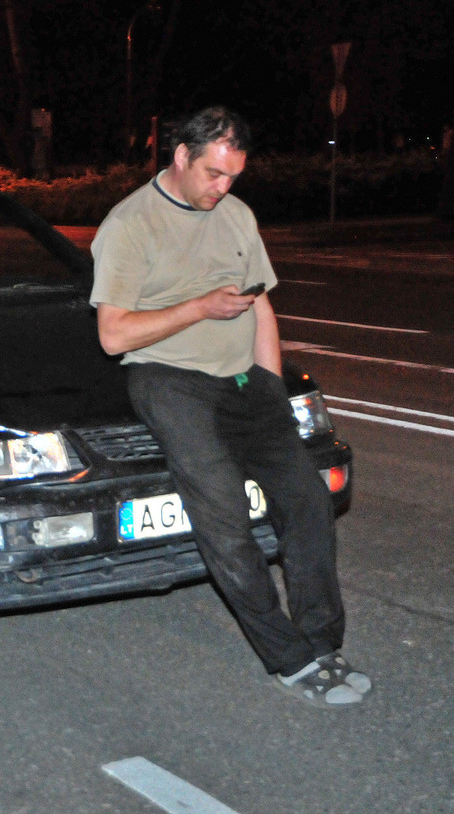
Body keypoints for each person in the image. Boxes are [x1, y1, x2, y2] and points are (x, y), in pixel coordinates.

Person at [89, 106, 371, 708]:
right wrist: (197, 308)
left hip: (245, 384)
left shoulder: (238, 216)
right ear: (182, 156)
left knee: (309, 504)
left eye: (234, 176)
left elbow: (259, 305)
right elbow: (113, 336)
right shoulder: (130, 224)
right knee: (227, 527)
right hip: (170, 382)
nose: (224, 187)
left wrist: (270, 383)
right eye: (214, 173)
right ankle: (287, 657)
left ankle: (322, 641)